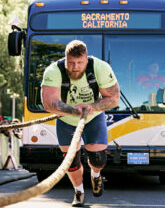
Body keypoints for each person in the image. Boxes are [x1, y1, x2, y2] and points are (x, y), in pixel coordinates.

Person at [41, 40, 120, 207]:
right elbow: (48, 103)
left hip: (93, 117)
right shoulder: (53, 71)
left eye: (80, 62)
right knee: (72, 161)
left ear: (86, 58)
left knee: (98, 158)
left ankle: (96, 175)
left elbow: (113, 99)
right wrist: (73, 110)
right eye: (71, 63)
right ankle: (79, 191)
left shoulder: (100, 68)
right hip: (66, 119)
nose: (75, 67)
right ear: (65, 59)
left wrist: (92, 107)